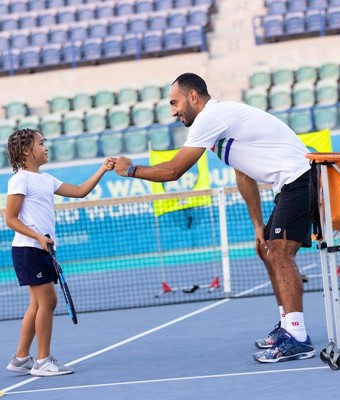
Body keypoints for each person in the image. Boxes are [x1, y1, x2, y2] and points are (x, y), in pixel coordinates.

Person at [114, 72, 315, 363]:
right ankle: (287, 326)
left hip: (301, 179)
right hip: (291, 184)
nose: (173, 112)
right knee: (269, 250)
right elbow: (243, 175)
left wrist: (131, 170)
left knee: (281, 253)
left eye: (175, 103)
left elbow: (173, 171)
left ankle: (297, 337)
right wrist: (258, 225)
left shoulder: (210, 117)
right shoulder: (219, 123)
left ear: (193, 96)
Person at [5, 128, 115, 376]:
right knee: (48, 302)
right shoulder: (20, 179)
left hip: (41, 248)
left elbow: (80, 191)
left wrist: (102, 169)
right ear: (26, 150)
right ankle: (42, 361)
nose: (45, 147)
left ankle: (21, 358)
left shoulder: (46, 179)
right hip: (29, 249)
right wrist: (38, 237)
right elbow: (10, 218)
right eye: (40, 143)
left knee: (37, 304)